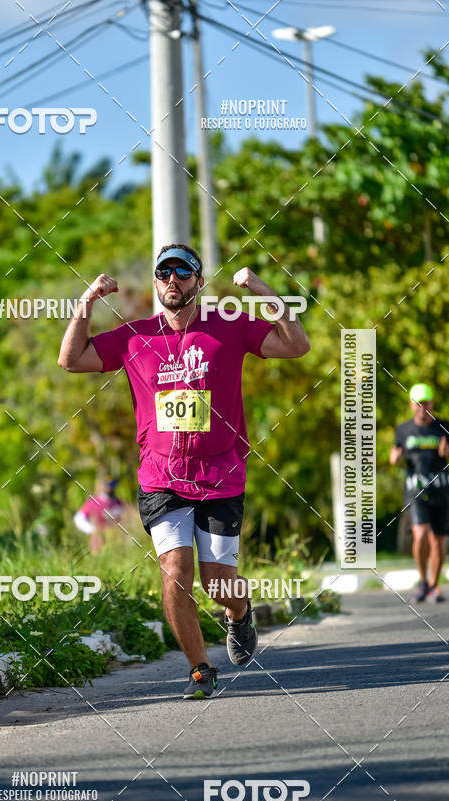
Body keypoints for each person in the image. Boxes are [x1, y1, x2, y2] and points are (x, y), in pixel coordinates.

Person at [58, 243, 310, 698]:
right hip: (161, 478)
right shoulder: (135, 337)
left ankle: (239, 612)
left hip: (221, 475)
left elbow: (297, 345)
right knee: (175, 570)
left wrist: (259, 289)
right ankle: (199, 668)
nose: (172, 281)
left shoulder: (228, 328)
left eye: (183, 273)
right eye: (164, 274)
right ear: (156, 283)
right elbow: (71, 359)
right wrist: (86, 303)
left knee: (218, 584)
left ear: (198, 280)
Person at [391, 383, 449, 603]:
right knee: (421, 534)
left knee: (438, 540)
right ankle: (423, 580)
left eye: (425, 403)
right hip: (415, 491)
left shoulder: (443, 427)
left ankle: (434, 585)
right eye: (417, 403)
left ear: (431, 403)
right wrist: (394, 458)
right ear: (411, 405)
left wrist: (447, 453)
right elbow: (394, 453)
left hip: (441, 490)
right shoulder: (403, 430)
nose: (421, 407)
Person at [74, 477, 124, 553]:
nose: (110, 487)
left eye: (113, 484)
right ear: (102, 486)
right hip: (99, 544)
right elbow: (78, 518)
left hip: (116, 544)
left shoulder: (118, 502)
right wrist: (93, 530)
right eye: (108, 485)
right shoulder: (94, 501)